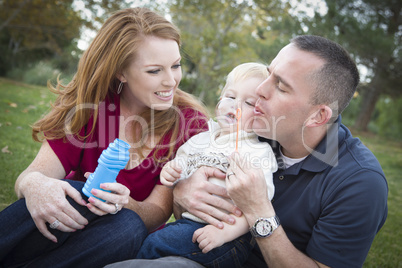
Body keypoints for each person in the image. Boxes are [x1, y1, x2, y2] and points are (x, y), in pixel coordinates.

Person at [107, 35, 388, 268]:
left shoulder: (360, 183)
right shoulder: (257, 132)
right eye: (269, 74)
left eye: (281, 86)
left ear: (318, 116)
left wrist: (258, 211)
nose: (261, 91)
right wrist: (182, 192)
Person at [0, 7, 208, 267]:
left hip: (113, 240)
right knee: (73, 194)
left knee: (128, 225)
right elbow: (29, 177)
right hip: (63, 222)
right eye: (155, 71)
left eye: (175, 66)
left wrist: (125, 203)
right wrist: (35, 186)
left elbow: (157, 213)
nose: (171, 81)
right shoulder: (91, 107)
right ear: (121, 72)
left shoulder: (190, 124)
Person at [136, 63, 278, 267]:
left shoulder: (256, 151)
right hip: (189, 224)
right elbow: (181, 165)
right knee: (153, 241)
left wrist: (225, 233)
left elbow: (260, 205)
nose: (235, 106)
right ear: (220, 101)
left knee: (156, 244)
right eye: (230, 97)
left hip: (229, 234)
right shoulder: (200, 139)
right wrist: (170, 172)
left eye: (248, 103)